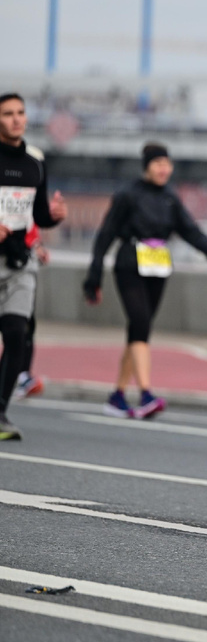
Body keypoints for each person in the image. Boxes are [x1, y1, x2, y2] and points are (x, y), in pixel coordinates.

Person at [83, 143, 207, 420]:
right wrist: (94, 274)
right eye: (158, 163)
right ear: (146, 166)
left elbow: (190, 231)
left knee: (139, 330)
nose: (164, 169)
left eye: (167, 164)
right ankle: (146, 394)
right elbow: (106, 234)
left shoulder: (170, 198)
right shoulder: (128, 195)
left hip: (158, 266)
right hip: (130, 263)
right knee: (140, 324)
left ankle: (117, 397)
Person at [0, 93, 67, 441]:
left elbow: (38, 214)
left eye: (20, 113)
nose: (16, 119)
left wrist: (54, 217)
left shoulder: (35, 162)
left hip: (19, 263)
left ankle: (0, 413)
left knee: (16, 334)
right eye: (7, 114)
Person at [13, 225, 51, 400]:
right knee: (14, 325)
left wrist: (38, 247)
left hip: (23, 265)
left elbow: (31, 228)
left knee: (24, 324)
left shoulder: (28, 209)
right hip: (8, 258)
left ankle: (23, 375)